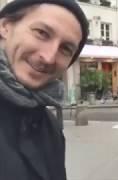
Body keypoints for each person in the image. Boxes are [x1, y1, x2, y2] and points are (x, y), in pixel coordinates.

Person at [0, 0, 88, 179]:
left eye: (65, 49)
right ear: (5, 27)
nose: (49, 58)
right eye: (42, 33)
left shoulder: (50, 125)